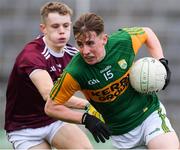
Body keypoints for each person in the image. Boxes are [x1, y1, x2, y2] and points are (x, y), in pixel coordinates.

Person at [45, 13, 180, 149]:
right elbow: (51, 107)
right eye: (80, 44)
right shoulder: (75, 72)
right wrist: (85, 119)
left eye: (90, 43)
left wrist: (161, 61)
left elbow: (147, 33)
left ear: (104, 39)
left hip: (149, 117)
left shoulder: (123, 41)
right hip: (120, 136)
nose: (85, 51)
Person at [4, 2, 94, 149]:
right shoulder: (31, 55)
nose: (62, 31)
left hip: (54, 120)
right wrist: (89, 106)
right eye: (55, 26)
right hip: (24, 128)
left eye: (66, 26)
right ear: (43, 28)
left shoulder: (72, 54)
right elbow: (51, 96)